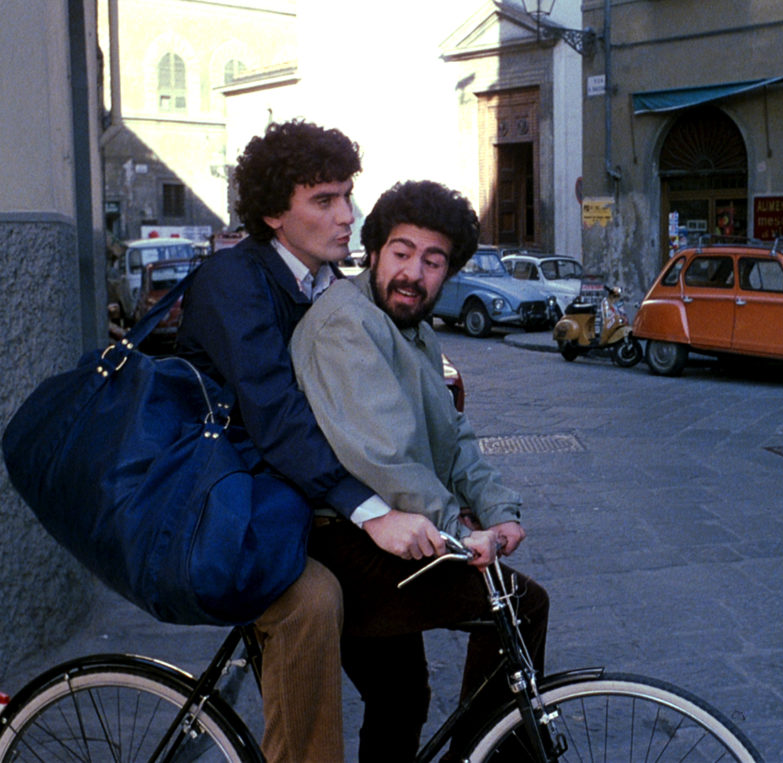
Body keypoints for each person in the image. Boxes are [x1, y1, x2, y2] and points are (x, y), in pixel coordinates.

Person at [291, 179, 550, 761]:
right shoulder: (346, 323)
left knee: (401, 696)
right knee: (519, 605)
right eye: (402, 253)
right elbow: (385, 456)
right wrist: (461, 533)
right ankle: (482, 754)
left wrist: (498, 509)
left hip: (386, 537)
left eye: (433, 262)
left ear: (448, 272)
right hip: (341, 542)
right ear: (375, 250)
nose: (414, 273)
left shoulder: (417, 333)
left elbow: (451, 439)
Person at [176, 119, 388, 762]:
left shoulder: (329, 287)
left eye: (347, 196)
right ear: (274, 213)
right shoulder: (231, 284)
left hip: (288, 497)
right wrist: (369, 508)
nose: (346, 215)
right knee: (310, 605)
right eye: (323, 201)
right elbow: (275, 412)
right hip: (223, 506)